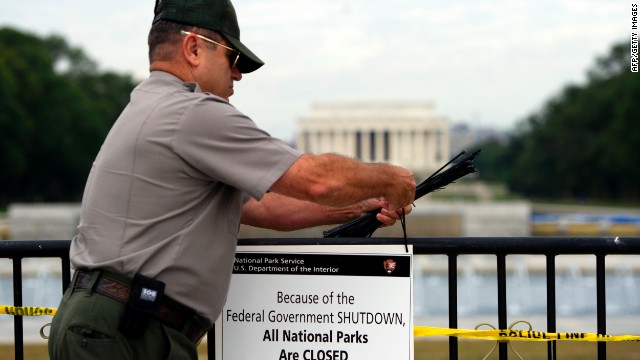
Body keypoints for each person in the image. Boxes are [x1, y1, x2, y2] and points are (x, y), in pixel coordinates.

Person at [47, 0, 416, 359]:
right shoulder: (192, 113)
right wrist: (389, 179)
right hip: (130, 331)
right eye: (232, 58)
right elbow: (315, 180)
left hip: (115, 323)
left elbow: (266, 206)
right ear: (194, 48)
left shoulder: (148, 107)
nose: (237, 74)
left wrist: (357, 208)